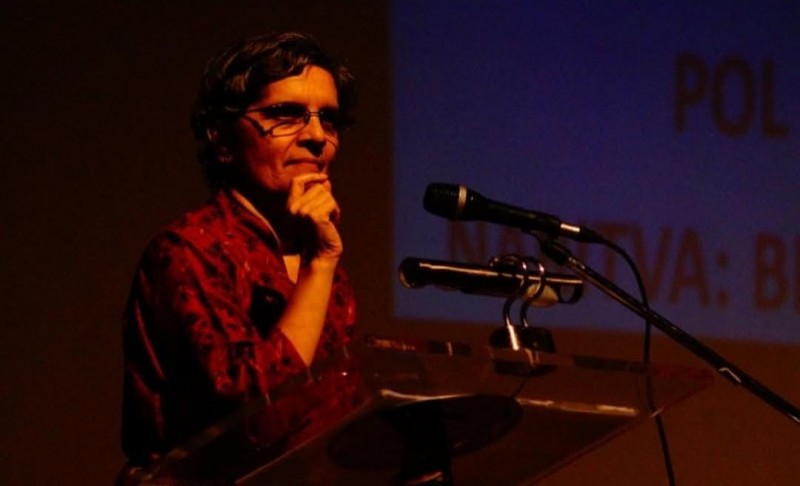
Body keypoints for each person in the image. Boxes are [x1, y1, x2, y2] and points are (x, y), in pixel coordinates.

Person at [118, 32, 360, 480]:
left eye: (327, 119)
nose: (316, 137)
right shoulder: (190, 250)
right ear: (221, 138)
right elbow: (258, 423)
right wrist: (319, 267)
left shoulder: (324, 265)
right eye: (284, 114)